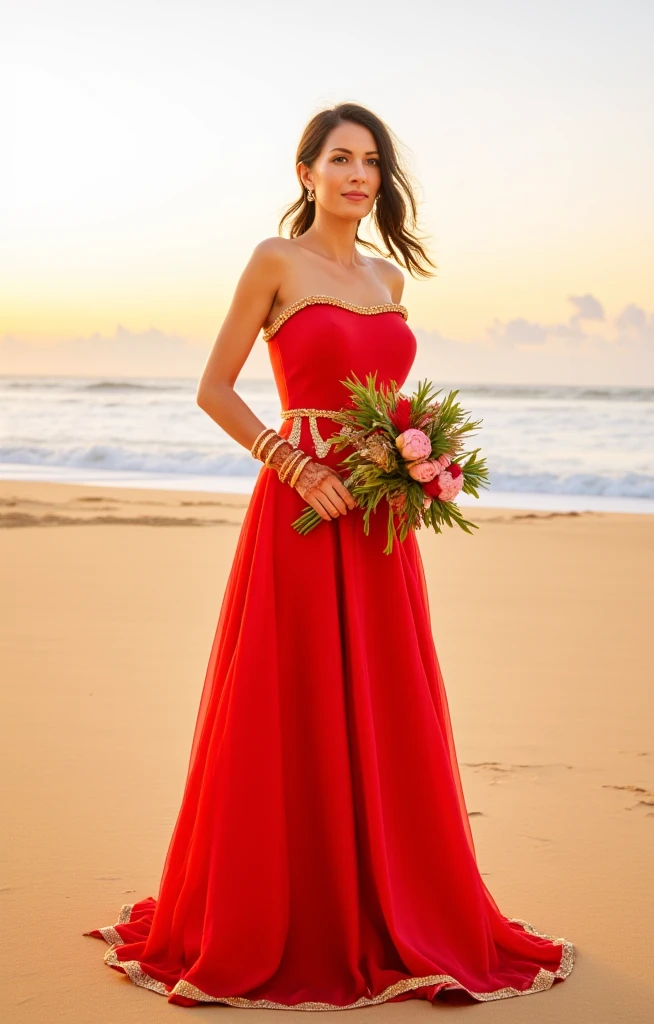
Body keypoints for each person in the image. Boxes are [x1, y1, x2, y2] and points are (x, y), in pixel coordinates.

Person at [84, 102, 575, 1009]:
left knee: (385, 700)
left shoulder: (388, 281)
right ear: (306, 170)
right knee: (292, 696)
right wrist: (294, 464)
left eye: (373, 162)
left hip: (377, 521)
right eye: (341, 159)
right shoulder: (276, 262)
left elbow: (383, 397)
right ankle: (282, 911)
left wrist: (414, 458)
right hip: (305, 507)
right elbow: (215, 389)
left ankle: (391, 904)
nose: (359, 175)